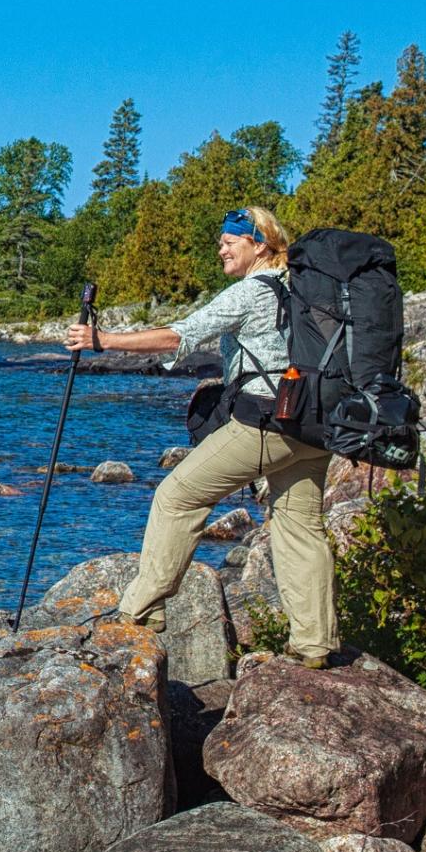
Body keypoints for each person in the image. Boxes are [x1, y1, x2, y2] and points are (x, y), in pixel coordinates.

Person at [63, 206, 337, 669]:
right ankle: (315, 645)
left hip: (268, 421)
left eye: (231, 240)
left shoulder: (252, 291)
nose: (221, 247)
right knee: (299, 526)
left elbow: (180, 337)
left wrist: (100, 340)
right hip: (317, 422)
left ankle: (139, 613)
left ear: (261, 245)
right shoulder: (306, 288)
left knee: (176, 495)